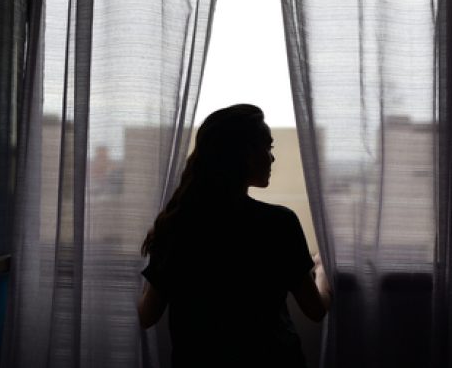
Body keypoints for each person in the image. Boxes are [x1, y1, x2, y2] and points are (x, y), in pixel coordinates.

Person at [138, 104, 332, 368]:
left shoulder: (179, 225)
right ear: (245, 155)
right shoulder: (279, 224)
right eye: (268, 147)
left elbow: (146, 315)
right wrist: (322, 272)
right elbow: (315, 310)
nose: (272, 158)